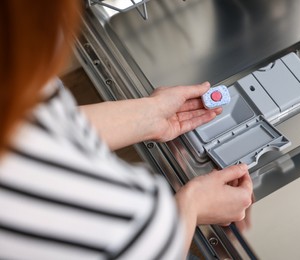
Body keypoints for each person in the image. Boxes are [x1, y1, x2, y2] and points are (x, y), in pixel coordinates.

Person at [0, 2, 253, 259]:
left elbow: (42, 120)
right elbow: (144, 243)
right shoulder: (122, 220)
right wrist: (193, 204)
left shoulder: (13, 80)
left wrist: (150, 113)